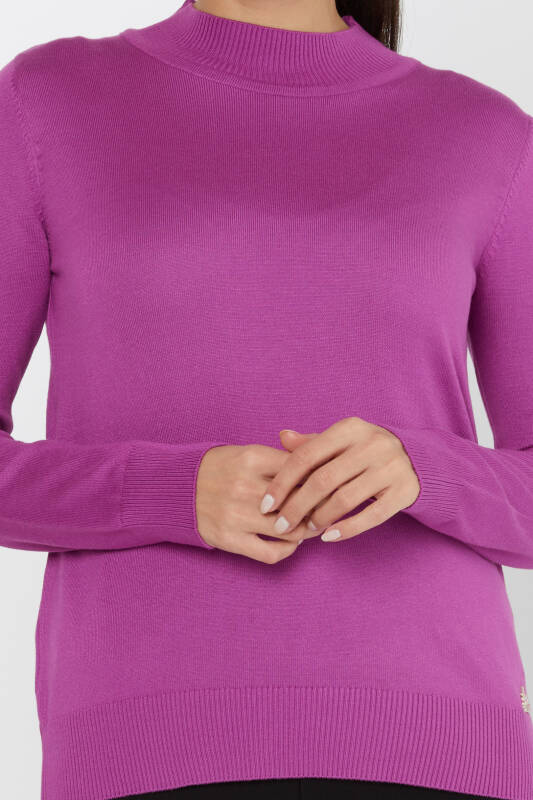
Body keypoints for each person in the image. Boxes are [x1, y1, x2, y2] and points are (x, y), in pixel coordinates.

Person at [1, 0, 532, 798]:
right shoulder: (48, 101)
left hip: (438, 734)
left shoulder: (486, 134)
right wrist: (167, 492)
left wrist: (426, 471)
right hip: (142, 734)